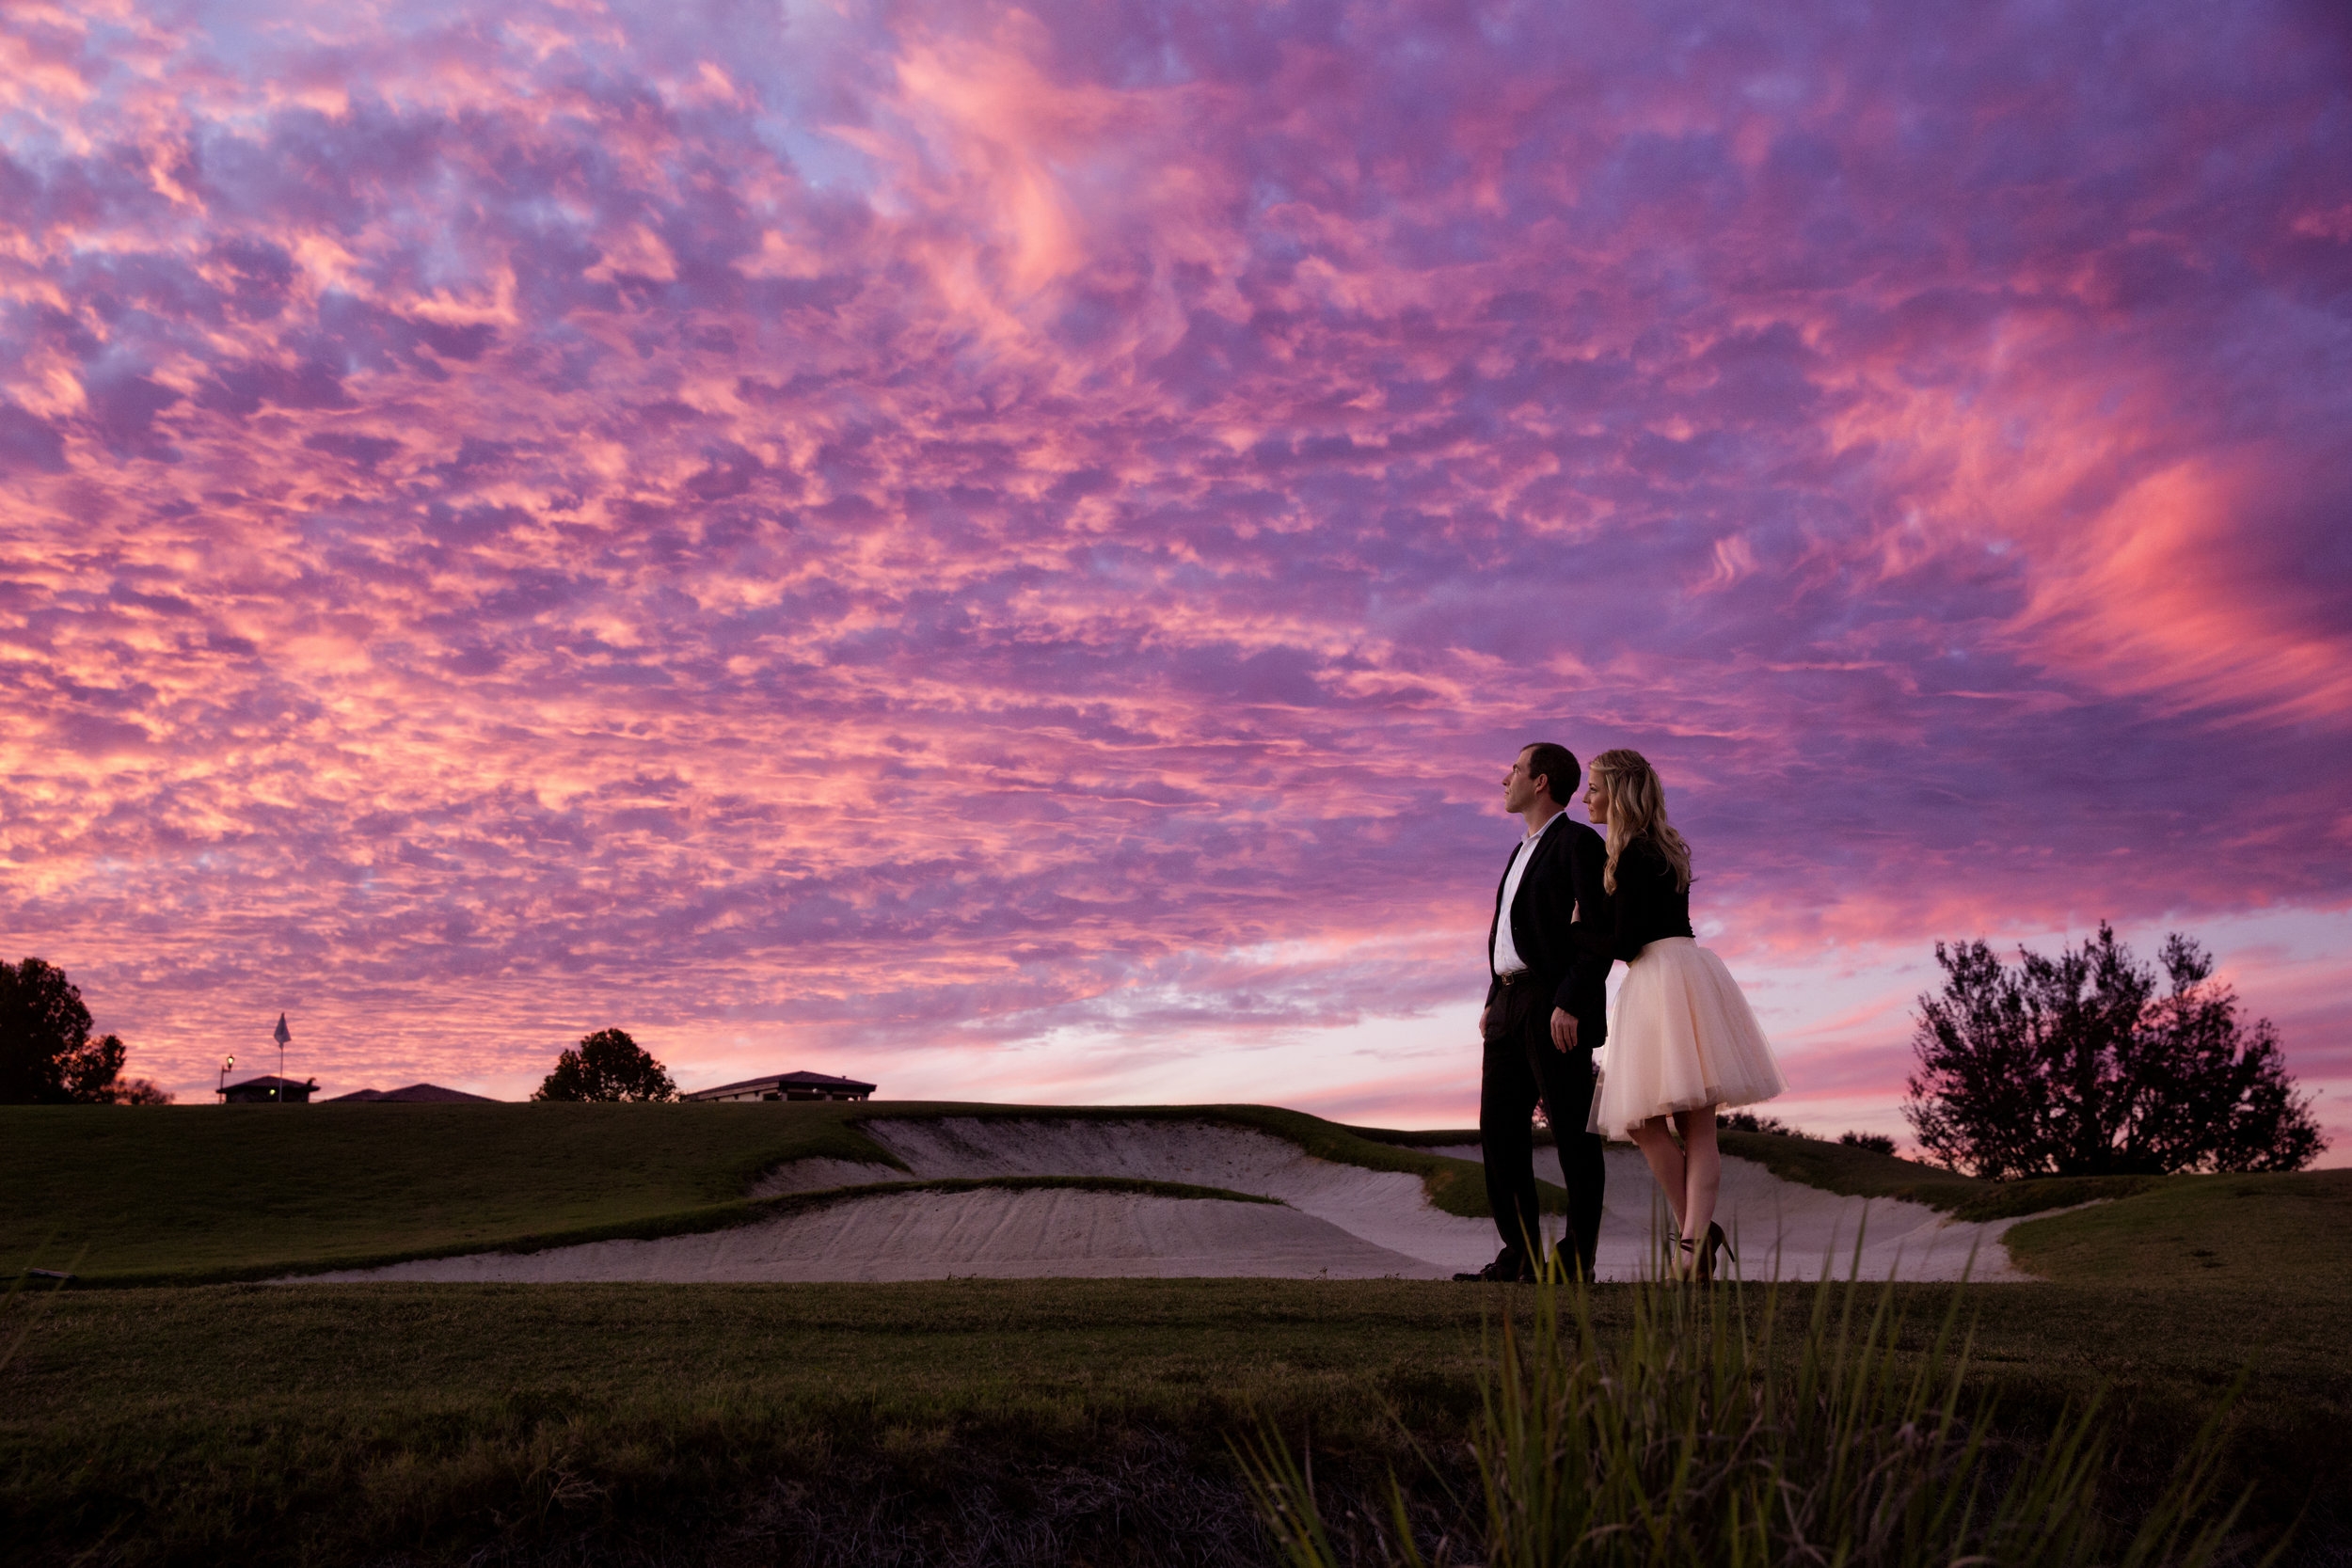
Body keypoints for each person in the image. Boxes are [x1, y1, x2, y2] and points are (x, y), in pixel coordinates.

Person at [1582, 749, 1787, 1282]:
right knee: (1689, 1127)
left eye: (1595, 788)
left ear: (1619, 793)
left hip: (1658, 976)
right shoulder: (1665, 849)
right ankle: (1697, 1237)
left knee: (1652, 1123)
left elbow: (1625, 943)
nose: (1587, 798)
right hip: (1685, 972)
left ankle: (1693, 1243)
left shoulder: (1630, 855)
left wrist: (1580, 927)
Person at [1454, 741, 1612, 1284]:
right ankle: (1519, 1256)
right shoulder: (1518, 851)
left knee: (1573, 1134)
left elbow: (1597, 934)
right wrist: (1494, 997)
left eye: (1515, 769)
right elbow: (1509, 931)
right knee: (1498, 1133)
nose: (1505, 779)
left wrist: (1571, 1000)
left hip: (1553, 1006)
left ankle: (1576, 1261)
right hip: (1507, 1005)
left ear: (1540, 781)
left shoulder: (1579, 843)